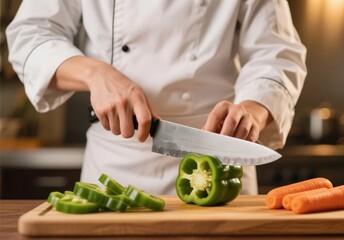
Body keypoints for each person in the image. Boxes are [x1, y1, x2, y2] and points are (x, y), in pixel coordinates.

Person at [6, 0, 306, 195]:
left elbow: (277, 54)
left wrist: (252, 110)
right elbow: (31, 34)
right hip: (115, 163)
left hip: (217, 157)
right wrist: (95, 74)